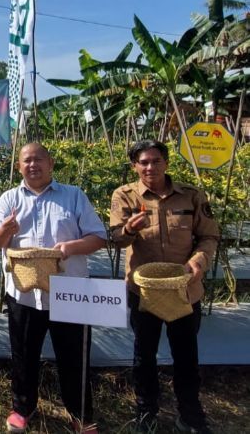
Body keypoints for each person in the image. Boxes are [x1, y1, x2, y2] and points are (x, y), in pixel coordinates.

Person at [0, 142, 106, 434]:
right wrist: (6, 230)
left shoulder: (74, 196)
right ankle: (22, 409)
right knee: (23, 355)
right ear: (19, 166)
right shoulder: (9, 199)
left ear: (51, 163)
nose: (33, 165)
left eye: (38, 159)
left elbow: (98, 237)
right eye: (26, 160)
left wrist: (70, 247)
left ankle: (80, 414)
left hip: (69, 292)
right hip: (25, 294)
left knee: (74, 356)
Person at [110, 140, 219, 434]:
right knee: (143, 356)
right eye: (143, 162)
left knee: (186, 355)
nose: (150, 167)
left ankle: (190, 415)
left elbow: (209, 236)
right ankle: (146, 412)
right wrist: (129, 229)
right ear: (135, 166)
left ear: (166, 163)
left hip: (184, 290)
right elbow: (116, 239)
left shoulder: (191, 195)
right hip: (143, 292)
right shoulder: (124, 195)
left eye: (156, 161)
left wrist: (198, 260)